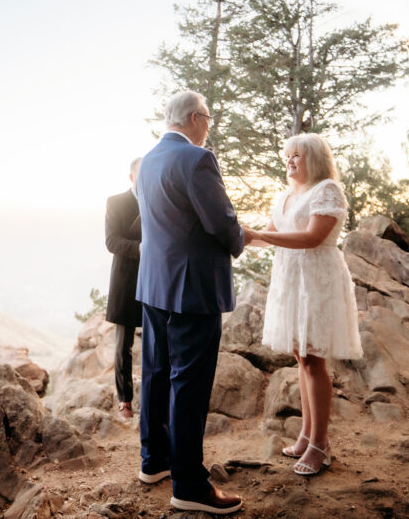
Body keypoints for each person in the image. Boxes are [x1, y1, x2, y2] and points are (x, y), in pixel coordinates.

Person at [135, 90, 249, 514]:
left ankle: (155, 461)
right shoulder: (197, 159)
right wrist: (241, 237)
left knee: (156, 374)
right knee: (189, 384)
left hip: (153, 285)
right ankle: (188, 484)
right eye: (209, 118)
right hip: (191, 289)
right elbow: (220, 220)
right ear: (196, 118)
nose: (209, 126)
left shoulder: (147, 160)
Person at [246, 133, 363, 477]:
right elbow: (261, 237)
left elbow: (313, 237)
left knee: (314, 361)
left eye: (297, 156)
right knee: (301, 357)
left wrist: (260, 235)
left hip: (316, 280)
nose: (290, 161)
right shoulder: (285, 195)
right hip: (290, 279)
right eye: (287, 156)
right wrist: (229, 232)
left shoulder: (327, 189)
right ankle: (306, 434)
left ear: (314, 158)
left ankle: (320, 445)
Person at [104, 157, 143, 419]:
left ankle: (151, 397)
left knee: (155, 341)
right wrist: (140, 249)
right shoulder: (115, 202)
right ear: (131, 177)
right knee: (123, 344)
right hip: (126, 278)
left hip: (155, 279)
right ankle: (125, 399)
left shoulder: (159, 200)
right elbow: (111, 241)